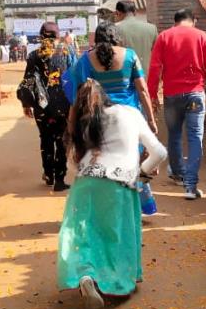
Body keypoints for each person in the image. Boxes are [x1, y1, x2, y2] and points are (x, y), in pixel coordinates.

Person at [57, 80, 167, 309]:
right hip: (119, 182)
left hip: (85, 183)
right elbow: (159, 152)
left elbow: (73, 165)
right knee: (116, 235)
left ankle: (85, 276)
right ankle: (116, 282)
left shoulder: (85, 123)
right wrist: (142, 173)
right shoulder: (129, 112)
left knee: (83, 234)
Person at [66, 22, 159, 214]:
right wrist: (150, 120)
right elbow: (143, 90)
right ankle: (140, 204)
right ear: (116, 37)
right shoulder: (130, 56)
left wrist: (72, 125)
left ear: (96, 39)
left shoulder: (85, 60)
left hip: (97, 119)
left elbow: (77, 97)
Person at [147, 8, 206, 200]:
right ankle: (190, 186)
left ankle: (178, 174)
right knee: (195, 137)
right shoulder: (201, 35)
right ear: (194, 20)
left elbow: (155, 67)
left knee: (175, 135)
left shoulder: (164, 37)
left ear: (175, 21)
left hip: (172, 96)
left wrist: (152, 95)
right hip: (195, 94)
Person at [18, 22, 76, 191]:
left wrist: (26, 104)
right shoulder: (68, 52)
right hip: (63, 106)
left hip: (41, 107)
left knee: (46, 138)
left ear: (41, 36)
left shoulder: (34, 55)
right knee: (62, 141)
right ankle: (59, 179)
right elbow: (74, 78)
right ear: (58, 35)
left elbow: (28, 82)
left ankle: (48, 174)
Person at [114, 0, 158, 73]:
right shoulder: (152, 28)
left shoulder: (113, 29)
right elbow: (157, 55)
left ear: (118, 13)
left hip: (124, 78)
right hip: (146, 77)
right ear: (135, 12)